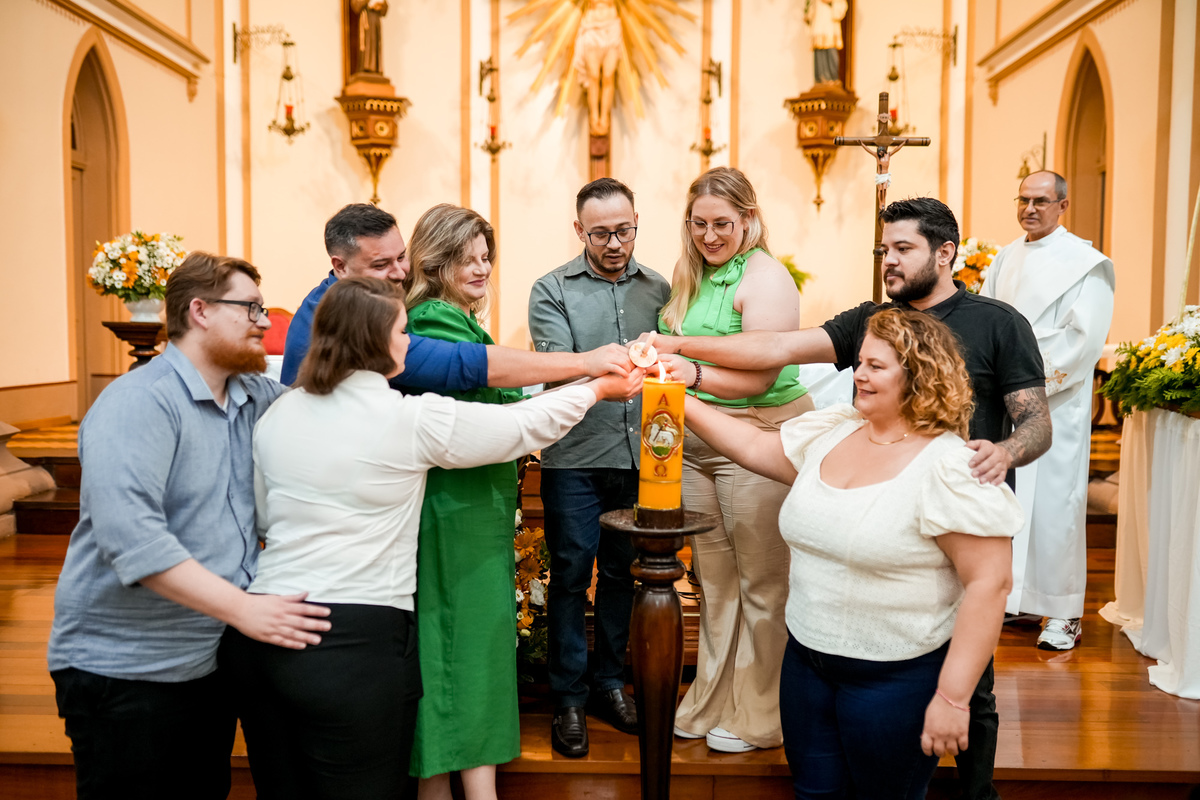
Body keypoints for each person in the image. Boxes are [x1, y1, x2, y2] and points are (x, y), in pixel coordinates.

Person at [644, 196, 1051, 799]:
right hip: (817, 654)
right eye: (885, 249)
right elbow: (774, 355)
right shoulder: (863, 351)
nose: (889, 260)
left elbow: (1036, 425)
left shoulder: (995, 327)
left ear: (945, 252)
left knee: (971, 689)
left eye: (903, 248)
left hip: (944, 542)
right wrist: (680, 364)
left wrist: (1005, 451)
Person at [221, 276, 642, 800]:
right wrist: (596, 389)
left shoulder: (280, 412)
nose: (410, 343)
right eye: (403, 332)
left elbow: (264, 518)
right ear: (375, 341)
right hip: (351, 640)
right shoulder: (403, 419)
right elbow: (520, 427)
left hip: (261, 634)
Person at [681, 307, 1022, 799]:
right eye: (860, 362)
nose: (858, 374)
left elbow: (990, 584)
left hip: (896, 681)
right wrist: (676, 397)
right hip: (806, 666)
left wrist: (953, 698)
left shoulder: (949, 467)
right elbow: (755, 447)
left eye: (875, 366)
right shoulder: (836, 432)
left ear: (919, 376)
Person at [46, 253, 332, 800]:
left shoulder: (254, 397)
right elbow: (133, 540)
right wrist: (246, 609)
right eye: (250, 308)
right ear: (200, 311)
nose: (263, 322)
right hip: (125, 670)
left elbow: (325, 410)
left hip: (205, 660)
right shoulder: (139, 401)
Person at [657, 166, 814, 754]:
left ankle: (760, 711)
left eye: (722, 223)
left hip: (758, 434)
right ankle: (713, 697)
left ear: (749, 218)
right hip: (698, 440)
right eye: (698, 224)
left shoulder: (767, 277)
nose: (709, 236)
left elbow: (761, 375)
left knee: (763, 583)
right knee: (714, 583)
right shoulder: (690, 273)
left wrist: (687, 368)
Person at [528, 178, 671, 757]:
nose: (615, 244)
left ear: (637, 223)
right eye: (601, 234)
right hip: (576, 458)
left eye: (624, 231)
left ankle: (610, 684)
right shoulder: (551, 289)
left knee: (621, 574)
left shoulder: (660, 288)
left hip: (643, 456)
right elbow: (562, 369)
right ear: (579, 230)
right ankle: (568, 697)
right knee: (569, 574)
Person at [396, 204, 525, 797]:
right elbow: (486, 405)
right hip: (454, 510)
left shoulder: (460, 318)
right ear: (435, 263)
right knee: (461, 644)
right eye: (466, 259)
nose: (481, 269)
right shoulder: (433, 319)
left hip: (473, 506)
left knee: (472, 645)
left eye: (485, 258)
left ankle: (453, 787)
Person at [280, 202, 630, 391]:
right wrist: (587, 365)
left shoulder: (359, 300)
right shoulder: (345, 318)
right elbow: (466, 364)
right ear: (340, 266)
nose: (400, 272)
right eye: (381, 264)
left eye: (401, 257)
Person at [981, 170, 1115, 651]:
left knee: (1056, 507)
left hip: (1056, 401)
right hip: (1007, 400)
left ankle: (1063, 612)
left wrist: (1025, 381)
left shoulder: (1088, 264)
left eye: (1040, 201)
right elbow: (989, 321)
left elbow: (1084, 340)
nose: (1030, 209)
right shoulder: (1005, 257)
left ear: (1063, 205)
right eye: (1023, 200)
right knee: (1010, 501)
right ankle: (1017, 599)